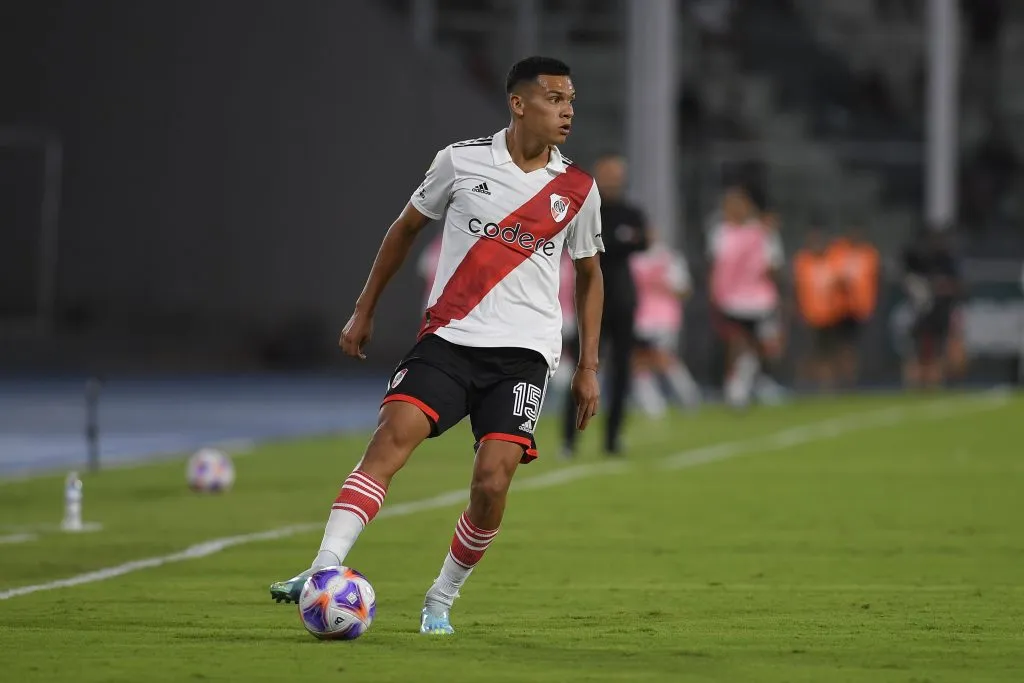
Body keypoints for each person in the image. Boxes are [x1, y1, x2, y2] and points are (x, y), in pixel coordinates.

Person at [269, 56, 605, 635]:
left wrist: (589, 365)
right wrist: (364, 309)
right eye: (554, 99)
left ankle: (440, 598)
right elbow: (403, 230)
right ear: (519, 104)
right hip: (449, 339)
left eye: (571, 99)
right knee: (390, 442)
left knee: (492, 481)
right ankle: (324, 567)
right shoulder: (461, 160)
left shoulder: (577, 188)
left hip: (524, 354)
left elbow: (593, 275)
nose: (567, 110)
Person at [561, 154, 647, 457]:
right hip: (588, 301)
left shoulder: (632, 211)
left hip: (622, 300)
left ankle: (612, 439)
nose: (612, 180)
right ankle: (569, 441)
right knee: (580, 369)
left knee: (622, 372)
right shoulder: (586, 208)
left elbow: (642, 242)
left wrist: (611, 243)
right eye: (607, 174)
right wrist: (618, 241)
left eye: (616, 174)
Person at [708, 186, 784, 408]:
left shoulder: (763, 232)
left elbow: (774, 264)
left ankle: (752, 380)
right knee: (736, 342)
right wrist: (715, 292)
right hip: (731, 300)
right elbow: (716, 265)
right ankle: (735, 388)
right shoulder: (720, 232)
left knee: (763, 345)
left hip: (760, 300)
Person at [629, 238, 701, 417]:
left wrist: (664, 286)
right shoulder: (632, 258)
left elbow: (684, 289)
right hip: (639, 318)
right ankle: (652, 406)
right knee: (639, 361)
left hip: (664, 318)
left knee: (663, 358)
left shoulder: (667, 258)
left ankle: (689, 396)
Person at [901, 228, 962, 389]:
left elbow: (955, 286)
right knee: (918, 351)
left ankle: (935, 383)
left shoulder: (947, 260)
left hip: (940, 313)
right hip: (921, 314)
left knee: (938, 350)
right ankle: (915, 384)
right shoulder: (917, 261)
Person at [793, 228, 845, 391]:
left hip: (831, 316)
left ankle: (829, 385)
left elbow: (842, 286)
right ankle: (804, 384)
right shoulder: (803, 262)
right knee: (811, 353)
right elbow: (797, 290)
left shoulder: (833, 260)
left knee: (831, 353)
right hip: (809, 316)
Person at [827, 227, 880, 388]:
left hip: (860, 310)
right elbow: (833, 276)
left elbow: (875, 280)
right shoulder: (838, 251)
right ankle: (836, 381)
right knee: (837, 348)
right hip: (839, 310)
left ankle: (851, 380)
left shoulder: (869, 253)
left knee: (854, 348)